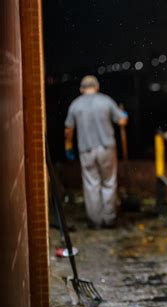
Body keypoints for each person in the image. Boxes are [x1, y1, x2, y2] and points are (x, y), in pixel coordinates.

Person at [64, 75, 128, 228]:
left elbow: (68, 130)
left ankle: (95, 221)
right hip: (106, 148)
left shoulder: (75, 105)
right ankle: (109, 219)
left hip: (86, 149)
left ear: (81, 89)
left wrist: (68, 147)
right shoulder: (106, 101)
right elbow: (122, 121)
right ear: (97, 87)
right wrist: (122, 113)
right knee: (109, 182)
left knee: (91, 184)